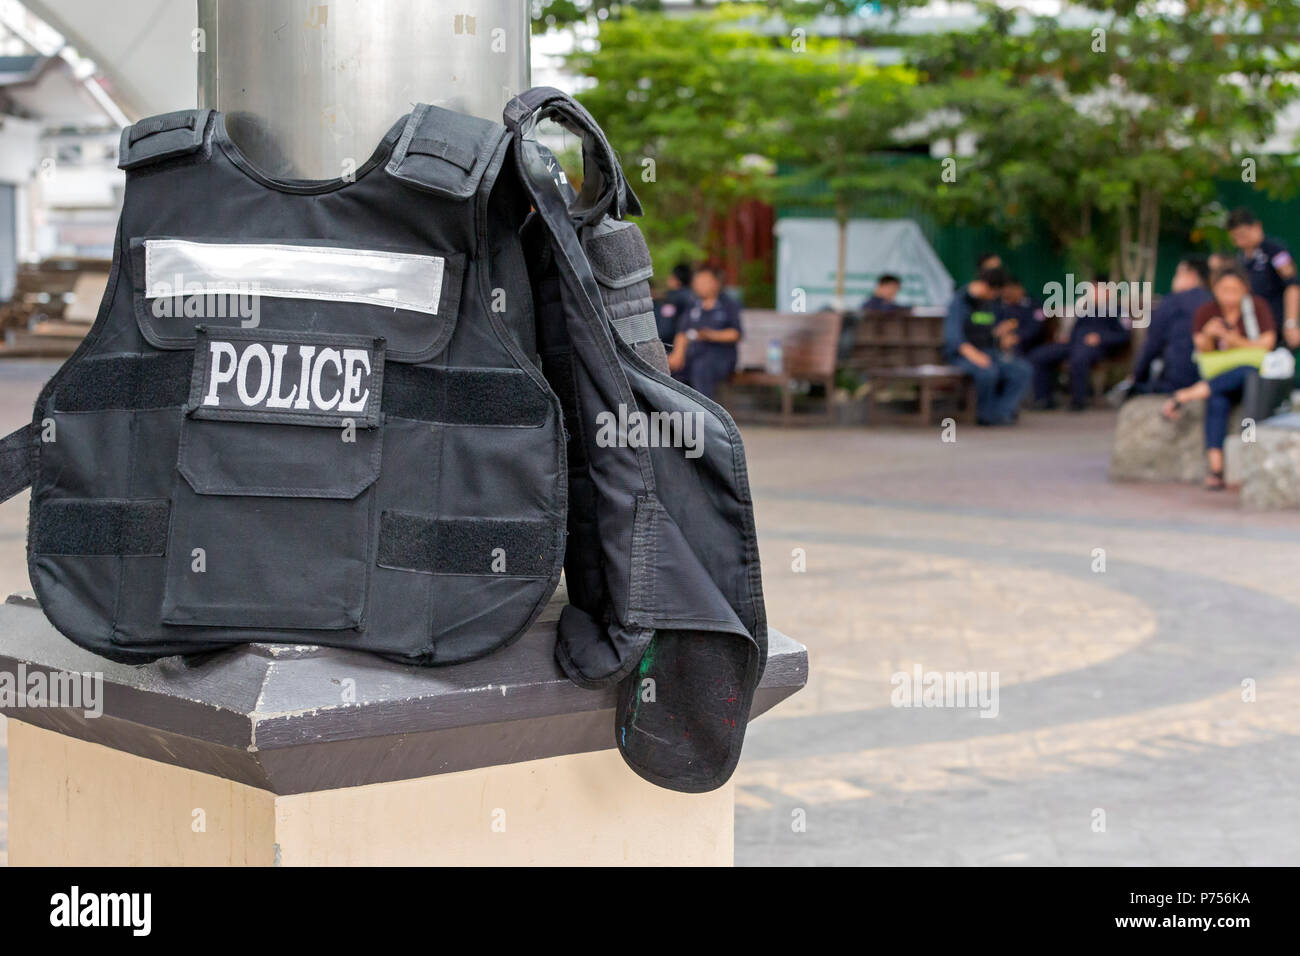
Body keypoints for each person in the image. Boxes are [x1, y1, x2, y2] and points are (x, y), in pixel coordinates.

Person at [1162, 265, 1277, 490]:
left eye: (1235, 290)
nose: (1229, 295)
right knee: (1217, 402)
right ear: (1215, 289)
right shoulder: (1206, 312)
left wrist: (1235, 341)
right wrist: (1208, 335)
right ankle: (1216, 468)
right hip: (1220, 378)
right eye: (1224, 289)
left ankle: (1189, 394)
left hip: (1253, 380)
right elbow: (1201, 349)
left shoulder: (1256, 308)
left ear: (1245, 289)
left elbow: (1268, 344)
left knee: (1246, 378)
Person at [1026, 275, 1131, 410]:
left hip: (1098, 348)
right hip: (1074, 344)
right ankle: (1043, 400)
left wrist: (1100, 338)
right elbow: (1077, 329)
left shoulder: (1117, 310)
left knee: (1079, 359)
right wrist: (1068, 338)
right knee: (1039, 355)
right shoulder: (1086, 309)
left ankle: (1077, 402)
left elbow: (1124, 335)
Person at [944, 267, 1032, 425]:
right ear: (985, 286)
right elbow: (954, 338)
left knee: (1022, 370)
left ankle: (1001, 413)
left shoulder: (988, 304)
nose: (995, 296)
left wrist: (1000, 337)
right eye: (995, 292)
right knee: (988, 372)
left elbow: (987, 332)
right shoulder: (960, 302)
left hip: (990, 352)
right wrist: (976, 356)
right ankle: (984, 415)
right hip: (964, 356)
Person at [1228, 207, 1300, 383]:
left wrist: (1291, 323)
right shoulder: (1241, 259)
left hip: (1278, 325)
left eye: (1243, 234)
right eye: (1236, 237)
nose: (1240, 241)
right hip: (1254, 328)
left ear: (1256, 227)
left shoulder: (1275, 251)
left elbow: (1293, 286)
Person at [1129, 255, 1213, 395]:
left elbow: (1152, 345)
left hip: (1175, 380)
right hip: (1209, 379)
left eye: (1178, 273)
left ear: (1191, 274)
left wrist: (1136, 377)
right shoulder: (1215, 301)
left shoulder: (1173, 302)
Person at [668, 265, 741, 400]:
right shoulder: (692, 304)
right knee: (672, 369)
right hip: (694, 354)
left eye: (704, 282)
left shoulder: (728, 304)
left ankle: (704, 417)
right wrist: (677, 354)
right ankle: (676, 414)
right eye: (697, 282)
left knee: (701, 367)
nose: (699, 286)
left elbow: (735, 333)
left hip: (721, 357)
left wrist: (710, 335)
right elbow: (682, 332)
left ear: (716, 283)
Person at [995, 275, 1047, 357]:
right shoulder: (1000, 306)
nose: (1006, 296)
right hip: (1000, 345)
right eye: (1004, 293)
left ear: (1019, 288)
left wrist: (1016, 337)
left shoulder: (1036, 306)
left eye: (1009, 292)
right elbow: (990, 322)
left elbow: (1036, 329)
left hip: (1028, 347)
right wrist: (998, 331)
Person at [654, 263, 695, 347]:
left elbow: (665, 328)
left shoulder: (672, 298)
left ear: (677, 279)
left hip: (672, 345)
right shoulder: (693, 296)